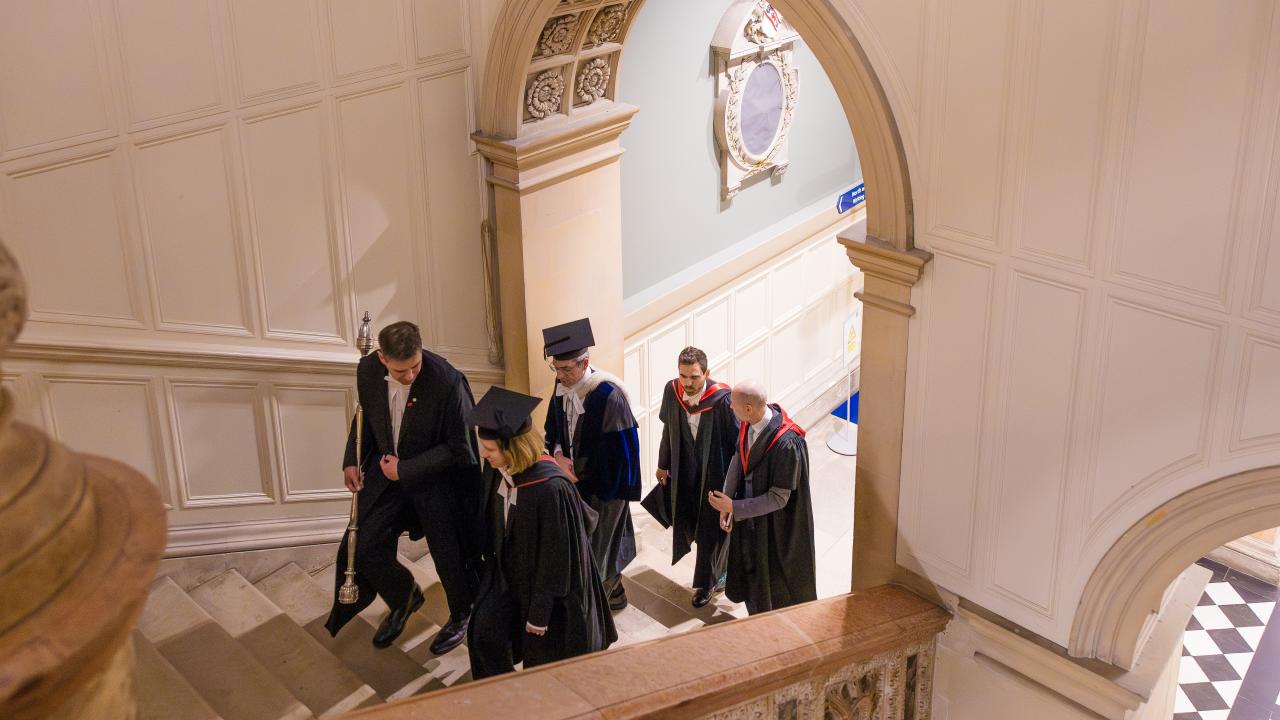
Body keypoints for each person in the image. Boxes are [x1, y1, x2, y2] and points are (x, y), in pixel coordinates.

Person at [326, 321, 482, 655]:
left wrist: (406, 469)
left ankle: (461, 614)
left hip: (436, 479)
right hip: (387, 471)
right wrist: (351, 459)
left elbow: (460, 448)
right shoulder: (367, 370)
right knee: (365, 544)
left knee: (448, 553)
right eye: (401, 371)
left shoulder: (447, 380)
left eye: (415, 366)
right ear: (382, 358)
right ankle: (404, 597)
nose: (410, 376)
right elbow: (366, 417)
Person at [467, 386, 617, 679]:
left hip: (548, 592)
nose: (484, 455)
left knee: (546, 665)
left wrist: (538, 614)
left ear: (513, 448)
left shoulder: (550, 489)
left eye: (490, 449)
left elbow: (556, 559)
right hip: (508, 575)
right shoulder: (497, 471)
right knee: (483, 635)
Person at [542, 318, 641, 611]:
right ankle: (616, 594)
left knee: (599, 551)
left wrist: (580, 475)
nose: (560, 376)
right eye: (556, 368)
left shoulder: (608, 396)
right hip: (574, 480)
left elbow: (621, 457)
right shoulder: (562, 386)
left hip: (605, 491)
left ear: (584, 364)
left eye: (566, 369)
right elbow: (554, 428)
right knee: (590, 546)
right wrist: (558, 455)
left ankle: (597, 615)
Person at [707, 380, 816, 614]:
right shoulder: (748, 424)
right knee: (750, 576)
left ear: (748, 408)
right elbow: (739, 458)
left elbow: (779, 498)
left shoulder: (787, 443)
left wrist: (735, 507)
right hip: (750, 519)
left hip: (775, 528)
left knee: (772, 589)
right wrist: (728, 503)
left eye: (733, 405)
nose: (729, 409)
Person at [647, 346, 739, 607]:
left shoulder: (722, 400)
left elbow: (735, 445)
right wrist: (663, 464)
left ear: (706, 373)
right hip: (684, 469)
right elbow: (668, 431)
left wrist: (733, 486)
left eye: (694, 377)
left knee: (710, 528)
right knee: (687, 518)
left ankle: (705, 584)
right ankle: (718, 572)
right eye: (683, 376)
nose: (687, 383)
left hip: (714, 473)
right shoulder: (671, 390)